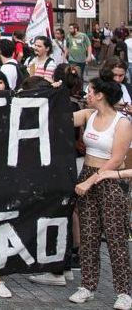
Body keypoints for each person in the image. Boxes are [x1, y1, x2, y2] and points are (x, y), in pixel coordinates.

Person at [69, 77, 132, 309]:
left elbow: (116, 159)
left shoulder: (122, 122)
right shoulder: (88, 114)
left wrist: (91, 182)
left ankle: (124, 291)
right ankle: (87, 285)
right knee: (88, 234)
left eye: (90, 91)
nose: (87, 94)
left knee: (115, 237)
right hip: (87, 172)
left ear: (100, 95)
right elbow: (59, 116)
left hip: (109, 180)